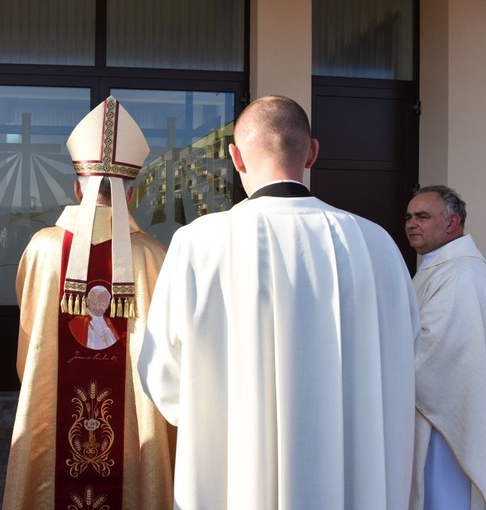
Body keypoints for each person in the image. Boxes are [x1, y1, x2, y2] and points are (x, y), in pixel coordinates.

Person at [138, 95, 419, 509]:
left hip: (237, 476)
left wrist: (216, 413)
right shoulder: (376, 243)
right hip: (352, 476)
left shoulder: (198, 243)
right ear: (313, 153)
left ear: (235, 157)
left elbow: (162, 374)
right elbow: (404, 356)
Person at [3, 97, 174, 509]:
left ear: (78, 189)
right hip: (132, 414)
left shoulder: (43, 248)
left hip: (56, 400)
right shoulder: (152, 255)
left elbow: (29, 330)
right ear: (130, 197)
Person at [404, 185, 486, 510]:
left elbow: (432, 354)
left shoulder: (460, 273)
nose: (411, 224)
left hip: (444, 423)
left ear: (452, 224)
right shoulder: (440, 265)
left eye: (423, 216)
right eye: (409, 216)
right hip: (432, 411)